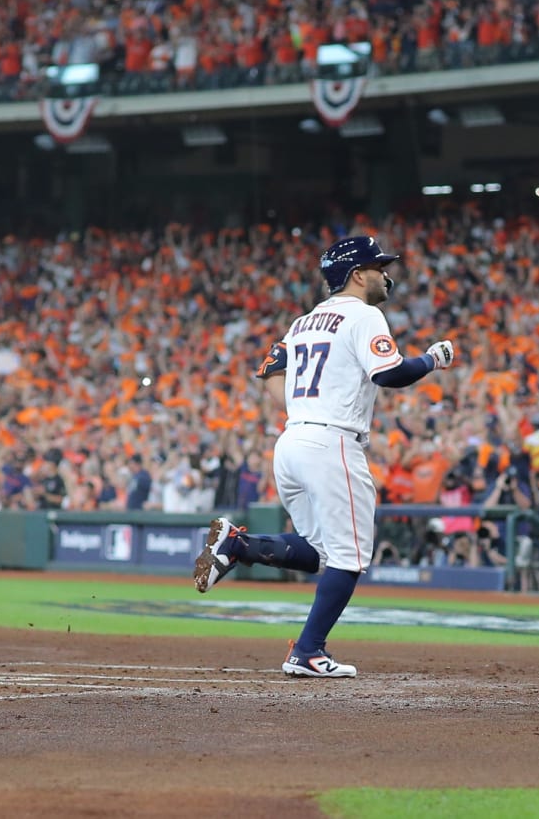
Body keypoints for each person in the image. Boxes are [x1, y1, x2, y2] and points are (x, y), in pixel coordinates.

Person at [192, 235, 454, 678]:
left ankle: (240, 545)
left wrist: (303, 411)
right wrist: (432, 359)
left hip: (293, 441)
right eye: (378, 266)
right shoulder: (365, 313)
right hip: (332, 443)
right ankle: (308, 651)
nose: (386, 274)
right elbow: (389, 373)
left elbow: (269, 371)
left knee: (322, 553)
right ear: (357, 275)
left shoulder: (303, 323)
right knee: (350, 559)